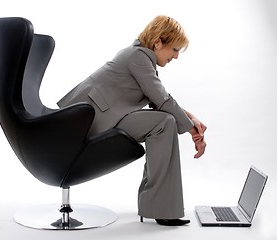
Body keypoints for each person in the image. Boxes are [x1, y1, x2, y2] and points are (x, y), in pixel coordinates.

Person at [57, 15, 207, 226]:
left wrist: (191, 119)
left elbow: (159, 99)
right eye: (174, 49)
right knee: (163, 123)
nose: (176, 56)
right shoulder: (137, 57)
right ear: (158, 42)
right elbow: (162, 99)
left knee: (163, 122)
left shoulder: (139, 56)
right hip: (87, 122)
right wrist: (192, 130)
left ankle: (157, 206)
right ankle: (158, 207)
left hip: (102, 117)